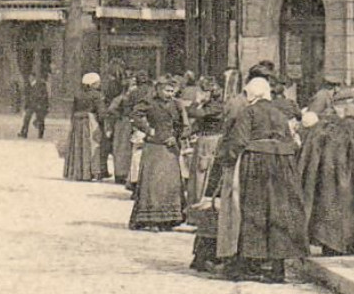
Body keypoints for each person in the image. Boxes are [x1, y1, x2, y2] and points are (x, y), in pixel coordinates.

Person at [201, 77, 305, 282]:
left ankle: (247, 266)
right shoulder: (279, 113)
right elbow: (291, 142)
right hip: (282, 165)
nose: (246, 98)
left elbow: (239, 140)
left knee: (252, 212)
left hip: (256, 164)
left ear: (255, 94)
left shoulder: (248, 112)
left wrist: (227, 161)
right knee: (278, 212)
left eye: (248, 94)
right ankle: (277, 269)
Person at [299, 98, 354, 256]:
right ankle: (341, 244)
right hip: (342, 176)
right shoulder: (348, 128)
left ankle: (327, 242)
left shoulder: (318, 129)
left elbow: (307, 158)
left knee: (325, 207)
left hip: (322, 177)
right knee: (342, 208)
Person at [128, 78, 187, 231]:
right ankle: (151, 219)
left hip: (170, 148)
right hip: (154, 147)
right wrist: (148, 129)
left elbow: (184, 125)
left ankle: (169, 219)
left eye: (172, 91)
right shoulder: (149, 103)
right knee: (152, 183)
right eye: (166, 90)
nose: (169, 94)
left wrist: (176, 137)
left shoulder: (177, 105)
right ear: (158, 90)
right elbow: (135, 115)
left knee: (170, 184)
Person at [64, 73, 106, 182]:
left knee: (77, 146)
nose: (99, 84)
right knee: (91, 146)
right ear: (92, 84)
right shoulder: (97, 95)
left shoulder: (78, 94)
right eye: (97, 82)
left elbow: (73, 109)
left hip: (77, 122)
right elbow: (101, 111)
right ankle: (90, 172)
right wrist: (103, 122)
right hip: (89, 121)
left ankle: (77, 171)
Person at [19, 73, 50, 139]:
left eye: (31, 77)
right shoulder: (29, 85)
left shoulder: (40, 85)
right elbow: (28, 96)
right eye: (29, 78)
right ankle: (24, 133)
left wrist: (42, 104)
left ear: (34, 77)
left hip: (39, 105)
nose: (30, 79)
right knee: (26, 118)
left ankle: (40, 135)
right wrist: (26, 106)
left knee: (41, 119)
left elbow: (44, 95)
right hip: (31, 105)